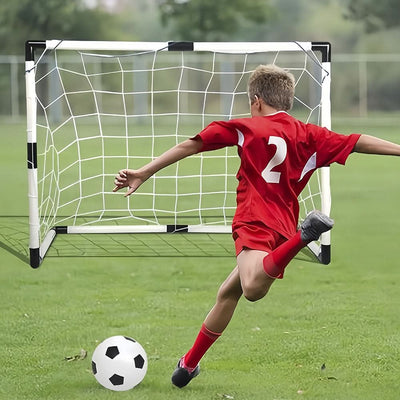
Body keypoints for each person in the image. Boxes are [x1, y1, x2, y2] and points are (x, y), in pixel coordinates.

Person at [113, 64, 400, 388]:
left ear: (256, 100)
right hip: (282, 226)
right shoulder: (310, 135)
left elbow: (191, 144)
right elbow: (357, 140)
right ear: (288, 101)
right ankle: (188, 365)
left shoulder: (247, 127)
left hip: (254, 219)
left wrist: (145, 171)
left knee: (251, 288)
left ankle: (306, 236)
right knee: (228, 292)